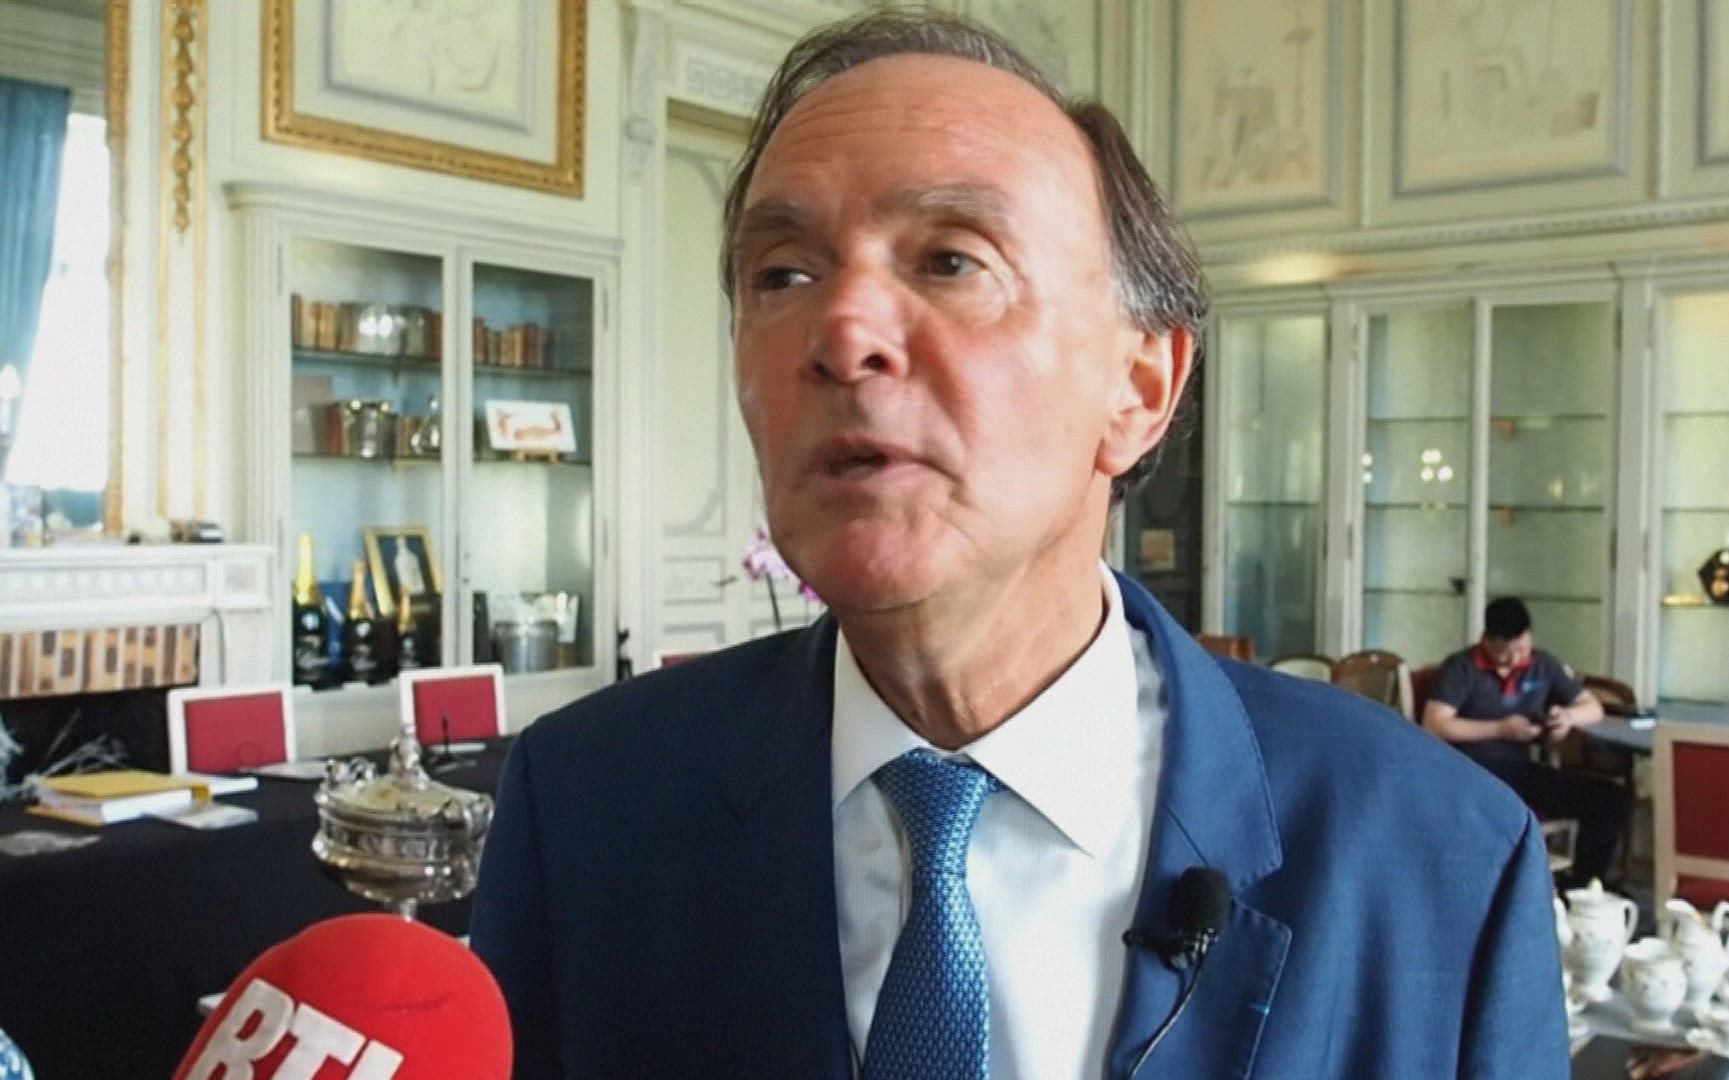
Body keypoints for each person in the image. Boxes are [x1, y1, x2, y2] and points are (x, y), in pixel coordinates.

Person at [470, 12, 1565, 1078]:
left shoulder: (1440, 857)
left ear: (1139, 388)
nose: (842, 331)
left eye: (951, 260)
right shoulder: (587, 808)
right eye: (784, 275)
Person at [1422, 597, 1627, 888]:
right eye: (1504, 653)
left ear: (1529, 636)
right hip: (1472, 773)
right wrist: (1499, 729)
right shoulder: (1461, 668)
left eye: (1520, 650)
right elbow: (1435, 724)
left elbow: (1593, 708)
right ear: (1486, 639)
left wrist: (1566, 718)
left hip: (1522, 770)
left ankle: (1585, 887)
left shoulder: (1543, 665)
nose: (1514, 660)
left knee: (1608, 798)